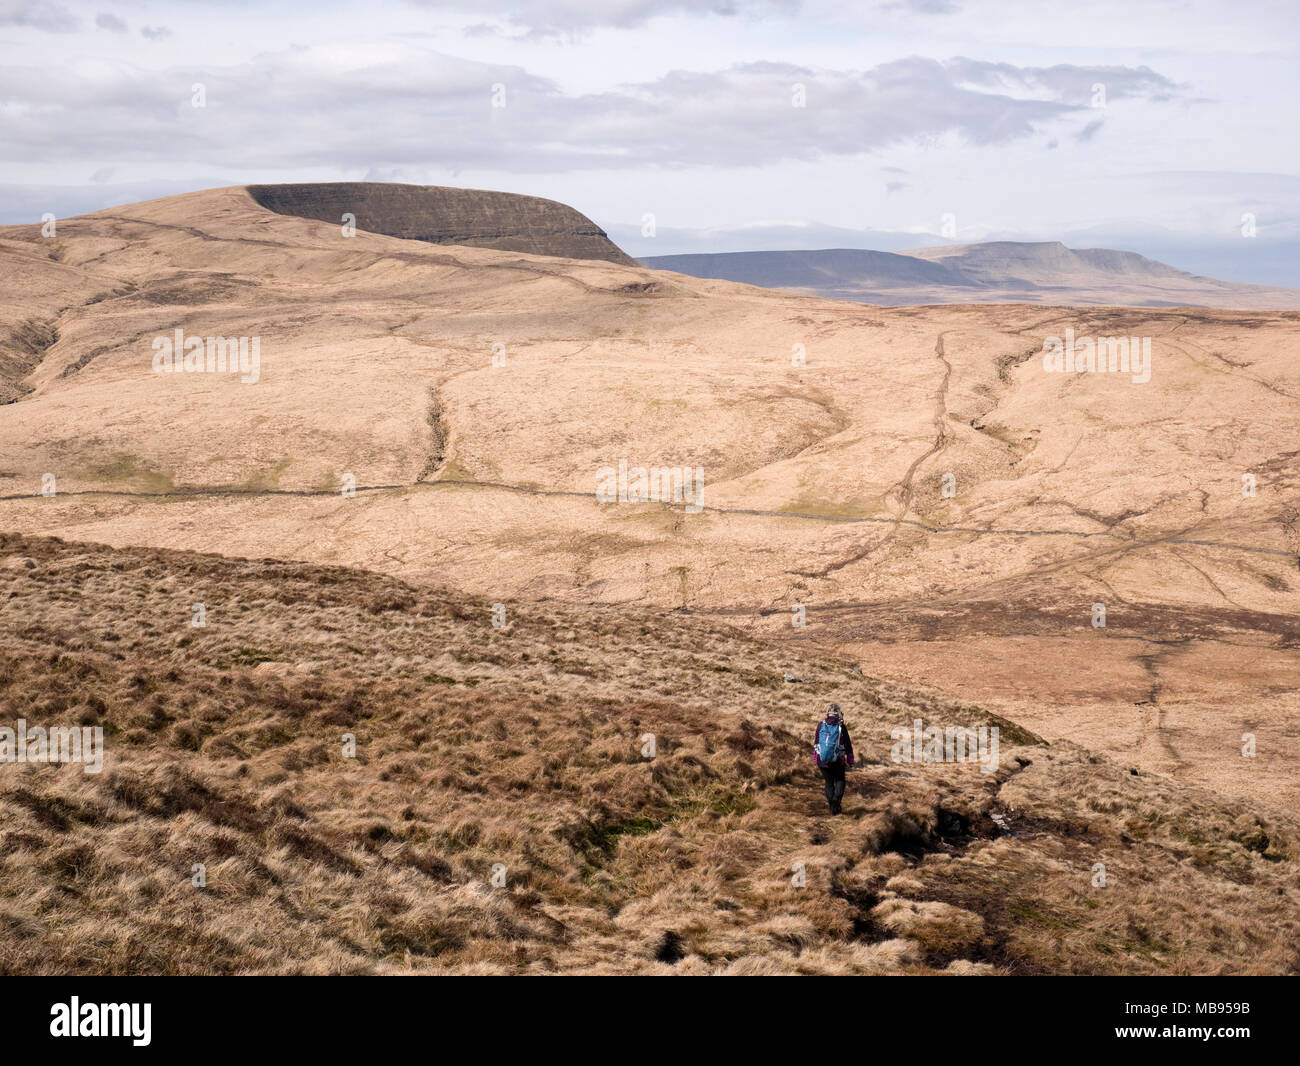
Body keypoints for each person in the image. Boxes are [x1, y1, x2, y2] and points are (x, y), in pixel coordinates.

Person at [812, 703, 854, 814]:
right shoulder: (841, 727)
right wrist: (850, 760)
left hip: (823, 760)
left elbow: (817, 742)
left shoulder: (821, 725)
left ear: (828, 713)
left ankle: (832, 806)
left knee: (829, 783)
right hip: (837, 761)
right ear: (839, 713)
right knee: (840, 781)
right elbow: (848, 745)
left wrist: (816, 757)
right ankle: (836, 802)